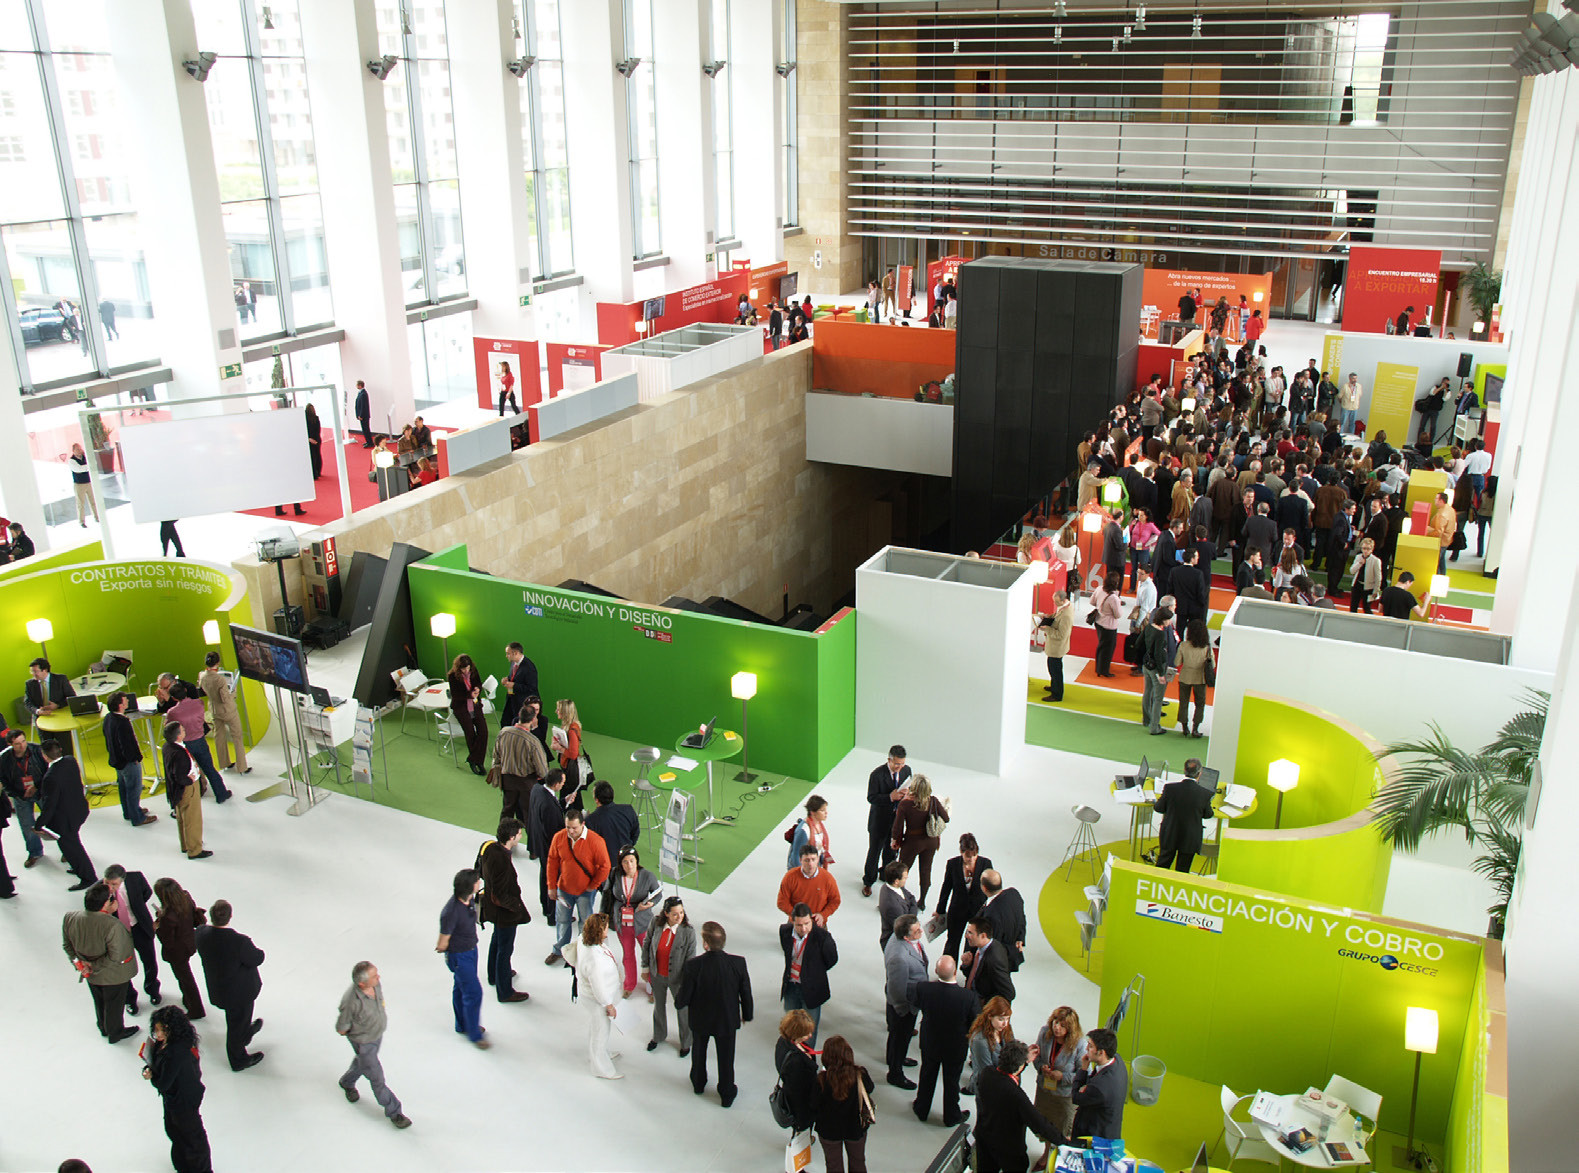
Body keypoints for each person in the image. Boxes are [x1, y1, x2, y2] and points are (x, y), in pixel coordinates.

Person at [675, 920, 753, 1107]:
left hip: (700, 1020)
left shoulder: (693, 966)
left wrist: (680, 1002)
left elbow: (683, 998)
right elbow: (746, 992)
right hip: (726, 1021)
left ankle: (699, 1083)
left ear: (705, 944)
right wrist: (747, 1014)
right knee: (726, 1058)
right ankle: (726, 1093)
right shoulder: (738, 963)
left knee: (699, 1053)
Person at [61, 881, 139, 1043]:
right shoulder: (112, 926)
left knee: (99, 1001)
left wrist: (80, 965)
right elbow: (115, 957)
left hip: (89, 974)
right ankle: (115, 1032)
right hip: (113, 975)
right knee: (114, 1005)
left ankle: (103, 1027)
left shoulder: (70, 918)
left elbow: (67, 945)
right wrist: (93, 966)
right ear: (105, 904)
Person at [336, 961, 411, 1128]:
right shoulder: (350, 1002)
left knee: (364, 1064)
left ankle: (347, 1082)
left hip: (376, 1036)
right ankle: (394, 1111)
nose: (379, 977)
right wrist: (358, 1036)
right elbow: (341, 1028)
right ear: (362, 983)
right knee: (377, 1078)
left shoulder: (375, 985)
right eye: (374, 976)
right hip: (364, 1042)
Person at [194, 899, 265, 1071]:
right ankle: (238, 1059)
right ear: (230, 916)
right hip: (239, 992)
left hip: (219, 989)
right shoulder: (239, 941)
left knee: (238, 1019)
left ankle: (245, 1032)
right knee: (236, 1023)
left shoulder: (201, 933)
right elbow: (257, 958)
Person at [976, 1039, 1065, 1173]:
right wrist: (1063, 1141)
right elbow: (1040, 1124)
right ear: (1020, 1066)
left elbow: (1007, 1075)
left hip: (985, 1140)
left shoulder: (986, 1074)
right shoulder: (1016, 1095)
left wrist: (1024, 1062)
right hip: (1009, 1150)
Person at [911, 956, 980, 1126]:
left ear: (935, 971)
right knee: (951, 1082)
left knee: (927, 1075)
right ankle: (951, 1116)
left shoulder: (924, 988)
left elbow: (916, 1003)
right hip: (955, 1047)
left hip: (930, 1043)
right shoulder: (968, 997)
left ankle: (922, 1108)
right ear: (955, 972)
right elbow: (975, 1022)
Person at [142, 1005, 213, 1173]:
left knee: (192, 1138)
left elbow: (163, 1083)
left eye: (162, 1031)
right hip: (175, 1096)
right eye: (156, 1030)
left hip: (183, 1099)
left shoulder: (176, 1053)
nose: (158, 1035)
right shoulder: (170, 1044)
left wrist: (151, 1076)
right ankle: (183, 1165)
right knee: (174, 1130)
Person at [474, 818, 531, 1004]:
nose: (521, 836)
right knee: (505, 949)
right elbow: (499, 894)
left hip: (494, 910)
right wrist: (516, 907)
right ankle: (505, 991)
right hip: (504, 912)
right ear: (511, 837)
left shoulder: (491, 849)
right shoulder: (502, 861)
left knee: (497, 942)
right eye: (519, 834)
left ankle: (495, 975)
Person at [545, 806, 611, 966]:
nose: (571, 831)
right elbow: (552, 862)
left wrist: (593, 885)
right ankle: (560, 949)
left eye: (574, 828)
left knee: (585, 923)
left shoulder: (596, 841)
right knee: (562, 920)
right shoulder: (559, 838)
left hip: (585, 892)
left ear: (582, 824)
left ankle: (582, 952)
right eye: (568, 827)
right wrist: (551, 886)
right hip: (564, 889)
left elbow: (605, 866)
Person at [435, 869, 489, 1049]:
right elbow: (442, 942)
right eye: (477, 880)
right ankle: (474, 1034)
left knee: (460, 988)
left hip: (471, 951)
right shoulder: (450, 912)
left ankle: (462, 1024)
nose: (479, 881)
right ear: (470, 886)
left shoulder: (469, 900)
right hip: (460, 956)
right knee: (473, 992)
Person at [570, 912, 623, 1078]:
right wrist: (608, 1005)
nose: (608, 931)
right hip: (596, 999)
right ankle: (601, 1068)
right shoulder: (594, 958)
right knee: (600, 1032)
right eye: (606, 928)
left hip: (592, 996)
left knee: (597, 1028)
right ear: (599, 931)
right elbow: (598, 986)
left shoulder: (583, 939)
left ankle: (601, 1053)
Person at [38, 739, 97, 890]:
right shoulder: (70, 761)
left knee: (72, 848)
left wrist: (39, 823)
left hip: (65, 819)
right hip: (78, 811)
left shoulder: (50, 777)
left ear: (45, 756)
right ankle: (78, 867)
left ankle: (88, 878)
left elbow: (49, 805)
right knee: (74, 843)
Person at [604, 844, 660, 997]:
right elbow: (607, 893)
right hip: (622, 922)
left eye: (632, 861)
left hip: (642, 923)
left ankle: (652, 985)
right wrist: (604, 916)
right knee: (627, 954)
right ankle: (629, 984)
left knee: (648, 953)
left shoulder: (647, 876)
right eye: (625, 862)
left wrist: (650, 904)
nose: (629, 865)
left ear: (637, 861)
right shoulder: (615, 874)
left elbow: (657, 894)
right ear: (620, 863)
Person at [815, 1035, 877, 1173]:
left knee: (833, 1165)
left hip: (829, 1131)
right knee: (858, 1162)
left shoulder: (821, 1080)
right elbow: (870, 1088)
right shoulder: (860, 1074)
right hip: (855, 1128)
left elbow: (814, 1104)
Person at [104, 864, 161, 1012]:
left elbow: (146, 892)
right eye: (107, 883)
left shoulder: (136, 878)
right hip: (118, 932)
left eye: (114, 884)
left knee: (149, 960)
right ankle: (129, 998)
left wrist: (136, 907)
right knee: (122, 966)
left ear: (122, 880)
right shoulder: (100, 890)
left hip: (139, 926)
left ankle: (152, 988)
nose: (110, 886)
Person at [642, 895, 695, 1055]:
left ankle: (686, 1042)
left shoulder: (688, 932)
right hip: (657, 974)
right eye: (675, 914)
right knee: (658, 1006)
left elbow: (690, 958)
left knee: (683, 1010)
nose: (679, 916)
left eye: (681, 912)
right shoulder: (655, 923)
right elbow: (647, 944)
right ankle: (658, 1035)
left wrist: (687, 982)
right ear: (666, 914)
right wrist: (645, 967)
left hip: (679, 979)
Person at [779, 901, 838, 1045]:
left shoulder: (823, 938)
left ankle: (807, 1060)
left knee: (809, 1030)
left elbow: (832, 959)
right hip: (791, 986)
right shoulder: (784, 931)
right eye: (799, 925)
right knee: (791, 1026)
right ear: (793, 921)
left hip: (812, 989)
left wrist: (814, 971)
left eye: (806, 923)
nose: (803, 928)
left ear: (811, 919)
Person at [883, 913, 928, 1088]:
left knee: (897, 1037)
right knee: (899, 1037)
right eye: (917, 930)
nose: (921, 931)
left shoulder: (900, 938)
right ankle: (895, 1073)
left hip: (907, 1000)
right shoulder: (899, 958)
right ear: (906, 936)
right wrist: (904, 1009)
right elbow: (896, 988)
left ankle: (896, 1058)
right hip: (904, 1004)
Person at [890, 774, 949, 905]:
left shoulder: (905, 804)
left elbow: (897, 827)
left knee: (903, 869)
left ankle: (899, 896)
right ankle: (922, 901)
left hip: (912, 842)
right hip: (931, 842)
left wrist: (895, 841)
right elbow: (946, 818)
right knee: (926, 870)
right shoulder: (933, 801)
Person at [153, 878, 207, 1019]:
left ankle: (196, 1009)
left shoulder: (168, 917)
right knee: (185, 977)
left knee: (185, 979)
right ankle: (188, 1000)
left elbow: (167, 940)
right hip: (188, 942)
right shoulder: (185, 897)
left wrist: (157, 927)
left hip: (177, 951)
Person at [1033, 1006, 1089, 1141]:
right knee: (1044, 1126)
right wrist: (1042, 1068)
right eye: (1055, 1022)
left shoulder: (1080, 1044)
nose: (1057, 1027)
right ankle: (1046, 1153)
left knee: (1061, 1130)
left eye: (1063, 1025)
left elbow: (1084, 1074)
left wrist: (1063, 1077)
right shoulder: (1045, 1032)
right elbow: (1036, 1057)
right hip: (1044, 1091)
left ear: (1070, 1028)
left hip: (1064, 1097)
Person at [166, 684, 230, 803]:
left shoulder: (172, 712)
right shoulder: (199, 703)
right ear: (185, 690)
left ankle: (195, 794)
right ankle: (221, 793)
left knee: (189, 771)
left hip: (186, 745)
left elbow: (169, 727)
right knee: (209, 768)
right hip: (200, 741)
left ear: (173, 698)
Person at [862, 746, 910, 897]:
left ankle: (886, 876)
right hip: (879, 821)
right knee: (874, 853)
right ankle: (869, 881)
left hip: (896, 821)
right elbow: (871, 798)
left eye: (902, 764)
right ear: (889, 760)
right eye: (896, 764)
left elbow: (910, 787)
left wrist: (906, 795)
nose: (899, 767)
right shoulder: (876, 775)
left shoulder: (907, 771)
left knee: (891, 852)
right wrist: (890, 797)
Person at [935, 833, 992, 961]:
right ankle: (948, 971)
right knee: (952, 942)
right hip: (957, 909)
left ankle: (969, 973)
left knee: (972, 944)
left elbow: (989, 887)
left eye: (974, 856)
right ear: (961, 852)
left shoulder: (986, 863)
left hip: (977, 911)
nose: (971, 859)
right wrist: (940, 910)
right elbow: (946, 887)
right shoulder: (953, 864)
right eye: (967, 856)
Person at [1153, 758, 1217, 872]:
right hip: (1190, 838)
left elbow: (1159, 808)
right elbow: (1208, 814)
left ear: (1184, 770)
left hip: (1170, 834)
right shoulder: (1205, 794)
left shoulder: (1169, 789)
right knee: (1183, 870)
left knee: (1162, 867)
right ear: (1200, 773)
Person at [104, 692, 157, 827]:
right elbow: (127, 745)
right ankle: (137, 817)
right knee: (134, 789)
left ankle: (129, 812)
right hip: (128, 763)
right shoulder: (122, 723)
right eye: (125, 700)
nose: (128, 701)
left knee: (124, 788)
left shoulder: (108, 718)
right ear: (121, 705)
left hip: (117, 761)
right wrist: (135, 758)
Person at [162, 723, 212, 860]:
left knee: (182, 817)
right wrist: (189, 780)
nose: (185, 731)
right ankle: (195, 849)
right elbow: (179, 776)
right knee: (192, 819)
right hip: (187, 789)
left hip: (177, 790)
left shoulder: (168, 747)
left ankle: (186, 844)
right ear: (178, 735)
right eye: (183, 730)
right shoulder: (179, 754)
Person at [491, 709, 548, 825]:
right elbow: (542, 770)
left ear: (519, 715)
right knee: (529, 816)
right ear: (533, 719)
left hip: (507, 779)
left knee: (507, 811)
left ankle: (503, 839)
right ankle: (532, 842)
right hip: (526, 784)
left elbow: (496, 755)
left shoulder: (504, 732)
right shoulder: (533, 741)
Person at [1, 728, 47, 868]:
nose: (22, 746)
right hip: (20, 795)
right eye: (17, 744)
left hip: (41, 792)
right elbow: (3, 780)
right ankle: (35, 852)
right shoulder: (4, 759)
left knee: (53, 820)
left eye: (23, 741)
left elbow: (48, 772)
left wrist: (37, 787)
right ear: (10, 744)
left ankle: (65, 850)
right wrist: (17, 794)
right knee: (27, 825)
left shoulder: (38, 751)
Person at [1070, 1028, 1127, 1141]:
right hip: (1110, 1127)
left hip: (1095, 1137)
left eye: (1090, 1046)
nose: (1086, 1048)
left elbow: (1075, 1097)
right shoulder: (1117, 1060)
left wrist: (1083, 1069)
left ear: (1101, 1052)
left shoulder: (1100, 1087)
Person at [526, 767, 567, 922]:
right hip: (549, 848)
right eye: (562, 782)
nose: (563, 785)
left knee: (544, 875)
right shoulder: (549, 806)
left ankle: (546, 906)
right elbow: (554, 831)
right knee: (552, 878)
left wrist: (563, 802)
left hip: (538, 843)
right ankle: (552, 914)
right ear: (556, 784)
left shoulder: (537, 789)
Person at [197, 655, 248, 776]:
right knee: (237, 736)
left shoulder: (202, 676)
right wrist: (233, 693)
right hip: (227, 710)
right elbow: (225, 698)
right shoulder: (219, 679)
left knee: (219, 737)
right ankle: (242, 767)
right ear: (218, 662)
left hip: (214, 709)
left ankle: (224, 763)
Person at [965, 997, 1025, 1094]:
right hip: (988, 1088)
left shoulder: (1006, 1029)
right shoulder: (980, 1040)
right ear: (989, 1016)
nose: (1005, 1023)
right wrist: (1019, 1065)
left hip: (1006, 1083)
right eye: (1001, 1019)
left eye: (1007, 1019)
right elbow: (987, 1073)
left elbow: (1014, 1053)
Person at [774, 1009, 820, 1133]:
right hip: (801, 1103)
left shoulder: (782, 1042)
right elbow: (800, 1090)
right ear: (796, 1033)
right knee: (802, 1126)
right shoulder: (796, 1062)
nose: (810, 1036)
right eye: (806, 1033)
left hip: (792, 1094)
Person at [777, 843, 842, 925]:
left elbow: (835, 900)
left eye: (813, 859)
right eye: (807, 860)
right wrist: (798, 916)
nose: (810, 864)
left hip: (818, 923)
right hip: (796, 923)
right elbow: (781, 902)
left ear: (818, 859)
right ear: (800, 860)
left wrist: (823, 915)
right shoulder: (790, 877)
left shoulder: (827, 878)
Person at [446, 654, 489, 776]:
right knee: (470, 733)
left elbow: (479, 684)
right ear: (458, 668)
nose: (466, 670)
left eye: (468, 668)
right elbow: (456, 695)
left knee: (483, 732)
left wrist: (477, 690)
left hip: (475, 705)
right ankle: (477, 762)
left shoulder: (474, 671)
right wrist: (470, 695)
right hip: (461, 707)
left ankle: (474, 759)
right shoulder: (452, 676)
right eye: (463, 669)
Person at [979, 870, 1027, 973]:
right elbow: (1022, 918)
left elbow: (993, 946)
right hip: (1012, 955)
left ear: (984, 888)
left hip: (998, 963)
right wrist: (1020, 938)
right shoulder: (1014, 894)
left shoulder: (991, 915)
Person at [1138, 606, 1174, 737]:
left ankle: (1146, 720)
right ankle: (1154, 727)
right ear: (1163, 620)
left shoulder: (1148, 627)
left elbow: (1138, 643)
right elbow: (1159, 655)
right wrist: (1161, 674)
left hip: (1146, 665)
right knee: (1158, 698)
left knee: (1147, 692)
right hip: (1156, 668)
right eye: (1168, 620)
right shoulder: (1160, 633)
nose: (1169, 622)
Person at [961, 918, 1015, 1004]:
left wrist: (985, 1002)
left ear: (983, 936)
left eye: (970, 933)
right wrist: (966, 965)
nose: (966, 936)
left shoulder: (994, 959)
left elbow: (1009, 993)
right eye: (967, 932)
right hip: (970, 996)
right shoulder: (976, 947)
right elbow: (973, 976)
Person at [1175, 619, 1212, 738]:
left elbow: (1177, 662)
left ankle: (1184, 727)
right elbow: (1213, 665)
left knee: (1183, 702)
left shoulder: (1183, 645)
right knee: (1200, 704)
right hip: (1200, 678)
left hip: (1185, 676)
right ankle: (1195, 728)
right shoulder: (1207, 648)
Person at [585, 780, 640, 857]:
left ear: (596, 800)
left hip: (607, 862)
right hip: (628, 859)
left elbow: (591, 846)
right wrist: (628, 845)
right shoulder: (628, 810)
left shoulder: (590, 821)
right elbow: (635, 833)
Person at [1037, 591, 1073, 702]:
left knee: (1055, 670)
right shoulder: (1063, 607)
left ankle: (1057, 694)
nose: (1055, 604)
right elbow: (1057, 617)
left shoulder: (1066, 615)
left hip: (1057, 647)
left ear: (1062, 600)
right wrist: (1048, 617)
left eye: (1056, 602)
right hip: (1054, 646)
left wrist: (1046, 629)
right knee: (1052, 668)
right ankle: (1054, 686)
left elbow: (1061, 634)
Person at [877, 859, 918, 950]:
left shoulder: (892, 886)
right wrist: (913, 914)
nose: (906, 879)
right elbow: (907, 925)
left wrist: (911, 912)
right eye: (904, 878)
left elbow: (912, 898)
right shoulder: (892, 905)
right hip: (896, 944)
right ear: (896, 881)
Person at [786, 793, 834, 870]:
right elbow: (796, 856)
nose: (826, 813)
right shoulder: (804, 830)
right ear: (813, 812)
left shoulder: (820, 825)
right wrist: (801, 874)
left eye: (825, 810)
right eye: (822, 810)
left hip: (814, 864)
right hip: (805, 868)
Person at [550, 698, 585, 804]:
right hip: (569, 769)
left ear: (565, 712)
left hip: (570, 771)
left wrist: (559, 748)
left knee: (570, 799)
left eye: (558, 709)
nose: (556, 711)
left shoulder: (571, 730)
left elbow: (573, 754)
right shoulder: (570, 726)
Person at [498, 641, 537, 728]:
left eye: (508, 653)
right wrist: (507, 679)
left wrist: (514, 685)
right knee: (505, 723)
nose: (506, 656)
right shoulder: (513, 662)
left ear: (515, 653)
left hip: (521, 704)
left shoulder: (529, 667)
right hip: (511, 700)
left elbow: (532, 688)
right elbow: (514, 677)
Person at [1091, 574, 1124, 678]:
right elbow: (1118, 614)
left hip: (1098, 621)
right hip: (1109, 625)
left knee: (1101, 645)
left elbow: (1092, 601)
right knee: (1108, 648)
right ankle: (1104, 670)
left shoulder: (1099, 589)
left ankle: (1099, 667)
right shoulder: (1113, 598)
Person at [1349, 537, 1384, 614]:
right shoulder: (1358, 557)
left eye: (1368, 549)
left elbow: (1378, 577)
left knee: (1367, 608)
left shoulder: (1376, 561)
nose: (1365, 551)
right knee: (1353, 606)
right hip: (1357, 585)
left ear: (1372, 549)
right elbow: (1352, 571)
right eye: (1364, 548)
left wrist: (1376, 590)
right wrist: (1360, 563)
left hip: (1369, 588)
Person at [69, 443, 99, 526]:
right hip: (79, 485)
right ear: (73, 451)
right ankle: (82, 521)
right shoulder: (72, 461)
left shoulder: (85, 457)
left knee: (93, 501)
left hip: (88, 482)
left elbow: (93, 463)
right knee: (80, 504)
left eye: (80, 449)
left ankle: (97, 517)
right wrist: (88, 466)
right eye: (77, 449)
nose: (79, 451)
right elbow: (79, 469)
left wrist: (87, 466)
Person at [354, 380, 372, 447]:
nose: (356, 386)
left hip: (364, 416)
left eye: (357, 385)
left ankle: (370, 442)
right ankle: (368, 441)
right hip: (363, 415)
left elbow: (363, 406)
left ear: (360, 385)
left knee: (366, 429)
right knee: (365, 429)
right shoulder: (361, 393)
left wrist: (361, 415)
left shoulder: (363, 394)